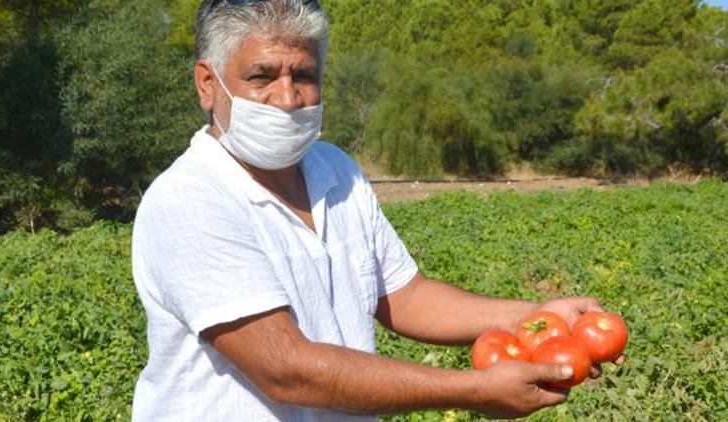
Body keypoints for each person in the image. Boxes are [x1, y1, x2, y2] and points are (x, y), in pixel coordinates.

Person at [131, 0, 623, 420]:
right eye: (262, 76)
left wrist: (532, 317)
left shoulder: (335, 170)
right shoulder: (191, 199)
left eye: (303, 75)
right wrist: (472, 390)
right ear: (207, 83)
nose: (286, 98)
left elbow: (405, 297)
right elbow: (285, 368)